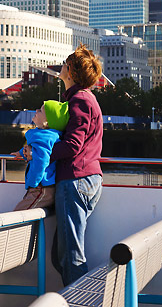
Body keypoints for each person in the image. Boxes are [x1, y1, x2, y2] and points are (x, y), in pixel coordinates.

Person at [50, 44, 103, 286]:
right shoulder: (86, 98)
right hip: (87, 178)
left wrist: (41, 153)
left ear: (70, 71)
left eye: (65, 63)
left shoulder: (80, 100)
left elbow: (73, 145)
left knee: (71, 255)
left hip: (75, 181)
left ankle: (80, 301)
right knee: (61, 254)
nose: (62, 66)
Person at [11, 100, 69, 211]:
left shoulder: (43, 137)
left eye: (41, 111)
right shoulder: (46, 136)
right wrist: (21, 153)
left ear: (46, 123)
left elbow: (41, 160)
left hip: (41, 187)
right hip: (42, 187)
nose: (36, 111)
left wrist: (33, 183)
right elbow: (35, 150)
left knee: (19, 213)